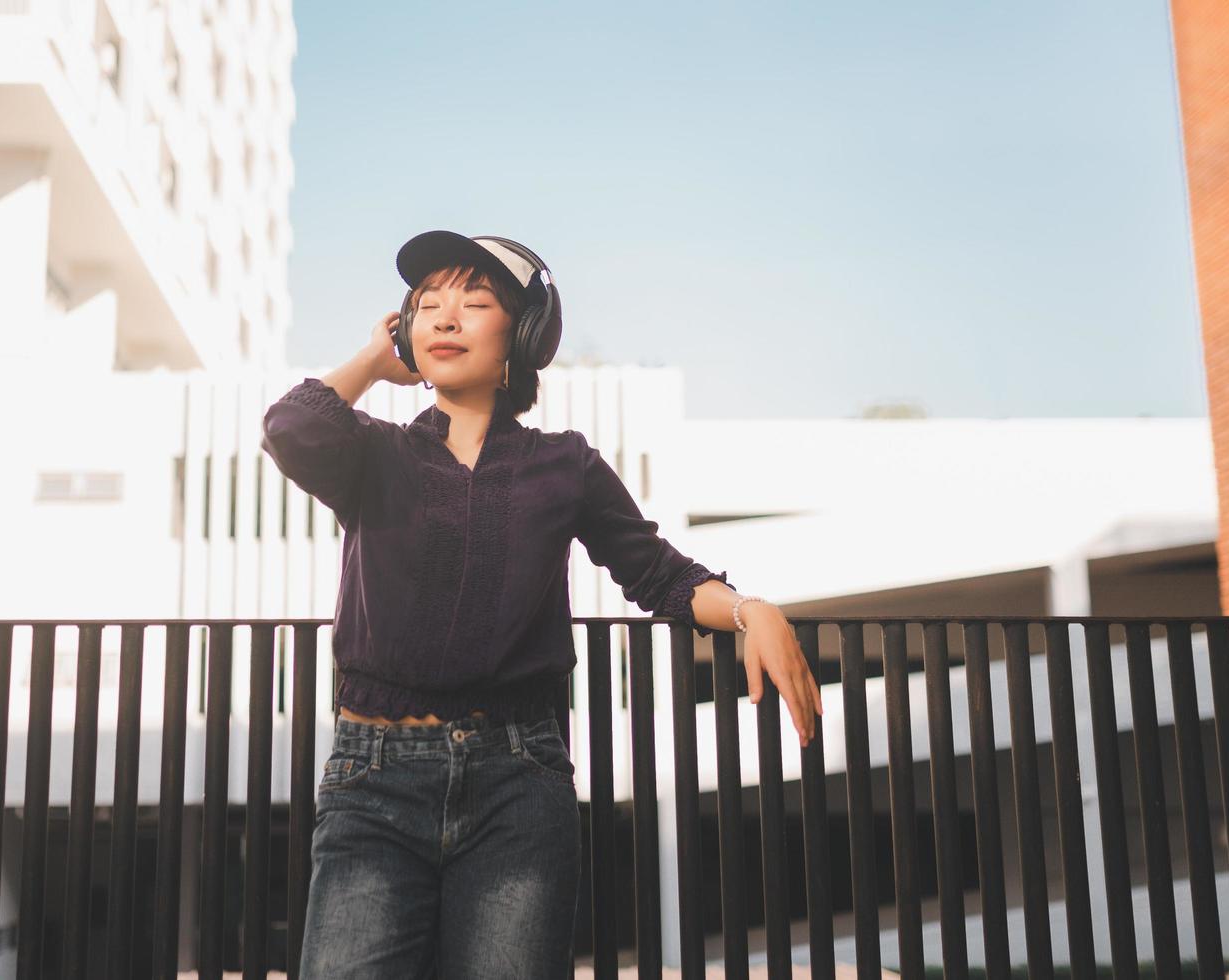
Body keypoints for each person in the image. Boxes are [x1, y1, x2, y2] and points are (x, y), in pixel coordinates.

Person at [261, 230, 822, 978]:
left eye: (475, 301)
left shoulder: (566, 464)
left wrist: (755, 611)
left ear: (524, 332)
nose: (445, 318)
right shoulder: (373, 452)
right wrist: (371, 360)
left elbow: (660, 575)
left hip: (517, 787)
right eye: (426, 306)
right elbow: (290, 428)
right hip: (374, 781)